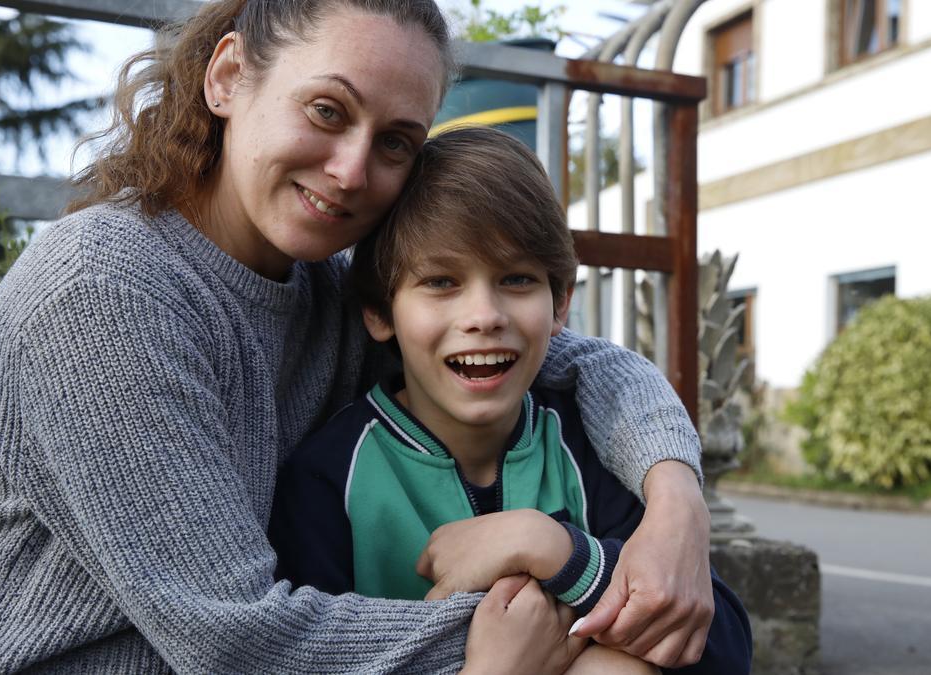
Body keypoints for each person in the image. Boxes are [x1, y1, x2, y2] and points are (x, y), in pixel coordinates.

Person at [0, 1, 715, 673]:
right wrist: (583, 605)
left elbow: (573, 361)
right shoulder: (102, 291)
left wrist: (676, 501)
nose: (354, 169)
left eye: (395, 142)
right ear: (229, 77)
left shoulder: (324, 288)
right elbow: (233, 638)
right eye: (328, 110)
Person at [267, 126, 752, 673]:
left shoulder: (588, 441)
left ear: (560, 303)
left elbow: (719, 646)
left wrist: (552, 548)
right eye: (441, 282)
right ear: (379, 312)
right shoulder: (328, 479)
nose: (485, 316)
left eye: (517, 279)